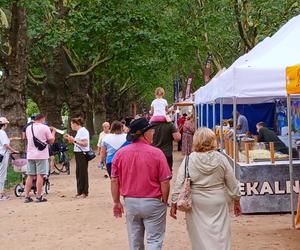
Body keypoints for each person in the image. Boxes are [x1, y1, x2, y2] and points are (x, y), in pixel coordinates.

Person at [170, 127, 241, 250]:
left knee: (199, 237)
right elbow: (232, 181)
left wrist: (174, 202)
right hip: (218, 200)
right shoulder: (221, 158)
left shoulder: (189, 159)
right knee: (221, 235)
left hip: (197, 203)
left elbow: (179, 182)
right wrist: (237, 200)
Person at [111, 118, 172, 250]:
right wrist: (164, 200)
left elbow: (114, 180)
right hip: (153, 201)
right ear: (144, 134)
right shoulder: (157, 153)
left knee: (135, 241)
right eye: (151, 131)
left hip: (131, 202)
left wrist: (116, 201)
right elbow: (165, 180)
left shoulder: (120, 154)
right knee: (155, 240)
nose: (153, 133)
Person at [24, 114, 55, 203]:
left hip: (30, 154)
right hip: (41, 155)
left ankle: (26, 196)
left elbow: (27, 138)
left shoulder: (28, 128)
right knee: (40, 175)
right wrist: (53, 132)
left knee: (30, 176)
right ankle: (38, 196)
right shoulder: (45, 128)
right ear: (42, 119)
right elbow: (51, 141)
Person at [64, 117, 90, 198]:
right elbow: (78, 142)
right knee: (78, 172)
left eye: (71, 124)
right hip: (78, 153)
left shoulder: (83, 131)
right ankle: (80, 191)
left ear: (75, 124)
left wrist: (74, 140)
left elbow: (85, 143)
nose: (71, 126)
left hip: (82, 153)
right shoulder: (79, 131)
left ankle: (84, 192)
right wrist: (70, 139)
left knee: (83, 172)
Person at [0, 117, 19, 201]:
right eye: (6, 124)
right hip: (2, 155)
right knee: (2, 174)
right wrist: (14, 150)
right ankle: (1, 194)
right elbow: (5, 145)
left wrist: (9, 139)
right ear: (4, 125)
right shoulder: (2, 132)